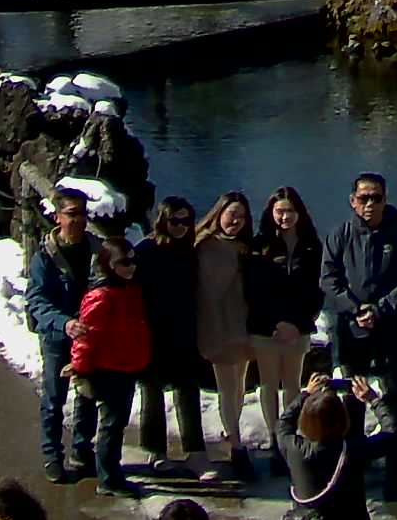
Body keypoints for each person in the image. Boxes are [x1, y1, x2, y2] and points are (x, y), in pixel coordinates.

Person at [321, 175, 397, 464]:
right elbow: (329, 280)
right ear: (353, 201)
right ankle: (352, 455)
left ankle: (394, 453)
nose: (370, 204)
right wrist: (355, 309)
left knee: (394, 394)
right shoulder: (339, 235)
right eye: (364, 198)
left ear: (385, 200)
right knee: (353, 394)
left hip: (388, 327)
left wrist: (379, 310)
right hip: (350, 330)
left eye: (376, 197)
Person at [22, 188, 117, 481]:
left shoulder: (97, 251)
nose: (78, 220)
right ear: (58, 216)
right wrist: (64, 323)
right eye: (71, 214)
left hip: (89, 336)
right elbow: (36, 300)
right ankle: (52, 454)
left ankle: (81, 448)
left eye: (82, 214)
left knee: (87, 394)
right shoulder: (45, 257)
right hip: (57, 336)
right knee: (54, 397)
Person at [68, 228, 152, 493]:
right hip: (107, 368)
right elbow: (85, 337)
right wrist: (81, 371)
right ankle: (109, 478)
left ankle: (106, 470)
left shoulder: (130, 289)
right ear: (109, 264)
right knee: (111, 425)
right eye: (124, 263)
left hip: (127, 365)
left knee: (116, 424)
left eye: (133, 261)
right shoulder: (102, 296)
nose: (131, 267)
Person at [137, 196, 213, 480]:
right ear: (163, 221)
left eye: (185, 221)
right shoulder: (146, 250)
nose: (180, 227)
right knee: (152, 395)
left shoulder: (191, 251)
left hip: (184, 333)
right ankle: (156, 452)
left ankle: (196, 454)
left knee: (188, 393)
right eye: (174, 221)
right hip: (153, 333)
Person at [254, 186, 328, 448]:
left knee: (293, 385)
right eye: (279, 211)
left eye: (289, 211)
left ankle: (291, 436)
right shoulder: (261, 244)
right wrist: (276, 322)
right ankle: (275, 437)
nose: (284, 217)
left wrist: (298, 323)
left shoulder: (311, 246)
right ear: (270, 213)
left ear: (299, 213)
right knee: (269, 385)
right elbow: (254, 290)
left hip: (298, 327)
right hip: (267, 328)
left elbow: (317, 289)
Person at [195, 191, 263, 477]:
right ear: (219, 213)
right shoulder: (205, 246)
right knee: (227, 387)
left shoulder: (244, 246)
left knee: (238, 386)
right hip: (217, 325)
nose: (235, 220)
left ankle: (232, 434)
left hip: (243, 324)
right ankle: (235, 443)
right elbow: (207, 290)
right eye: (231, 214)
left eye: (242, 216)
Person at [278, 378, 370, 520]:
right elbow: (391, 433)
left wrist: (306, 394)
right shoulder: (354, 450)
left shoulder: (293, 447)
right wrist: (374, 400)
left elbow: (283, 424)